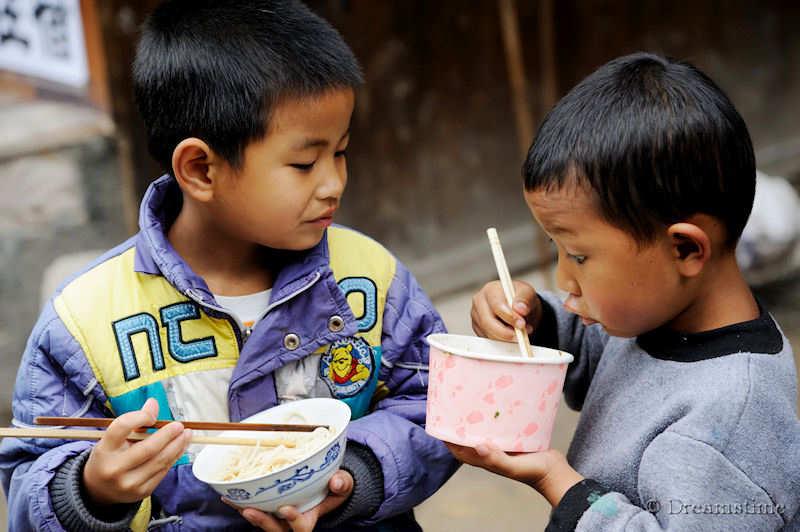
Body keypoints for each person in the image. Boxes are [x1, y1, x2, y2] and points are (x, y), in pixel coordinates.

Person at [0, 1, 457, 530]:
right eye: (305, 163)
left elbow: (436, 405)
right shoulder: (87, 322)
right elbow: (28, 480)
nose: (333, 182)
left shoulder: (369, 278)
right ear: (200, 169)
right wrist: (92, 489)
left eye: (342, 152)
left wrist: (354, 472)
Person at [456, 52, 800, 531]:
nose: (561, 281)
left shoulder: (733, 416)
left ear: (683, 248)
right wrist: (534, 320)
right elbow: (594, 346)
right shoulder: (653, 313)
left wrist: (559, 484)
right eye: (557, 250)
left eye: (579, 257)